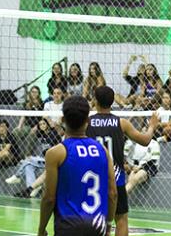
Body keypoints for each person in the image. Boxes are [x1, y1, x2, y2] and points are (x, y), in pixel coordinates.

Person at [37, 96, 118, 236]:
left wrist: (41, 229)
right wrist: (109, 225)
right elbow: (113, 193)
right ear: (88, 120)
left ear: (63, 120)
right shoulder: (102, 150)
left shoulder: (55, 153)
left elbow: (49, 197)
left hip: (68, 226)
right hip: (97, 226)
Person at [86, 86, 159, 236]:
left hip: (92, 177)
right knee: (121, 219)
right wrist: (152, 126)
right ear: (113, 101)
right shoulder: (121, 123)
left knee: (89, 219)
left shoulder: (87, 122)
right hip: (116, 178)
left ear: (95, 101)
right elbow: (145, 140)